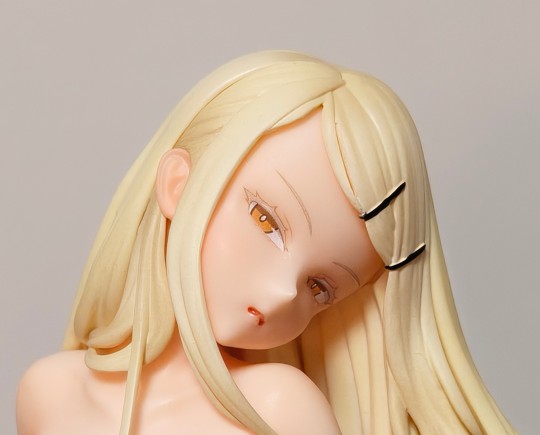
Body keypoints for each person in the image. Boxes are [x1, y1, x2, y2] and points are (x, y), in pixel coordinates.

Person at [16, 51, 515, 434]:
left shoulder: (281, 408)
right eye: (265, 220)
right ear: (178, 185)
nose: (282, 293)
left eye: (320, 287)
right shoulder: (50, 392)